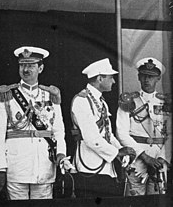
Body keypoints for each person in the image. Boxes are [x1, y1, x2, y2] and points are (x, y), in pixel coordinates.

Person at [0, 46, 67, 200]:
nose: (26, 69)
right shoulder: (6, 95)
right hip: (16, 167)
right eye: (22, 65)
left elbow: (58, 130)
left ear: (41, 68)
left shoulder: (50, 95)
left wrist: (61, 154)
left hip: (44, 166)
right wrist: (0, 168)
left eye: (31, 65)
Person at [70, 58, 136, 198]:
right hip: (89, 169)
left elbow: (108, 134)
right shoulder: (82, 101)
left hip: (106, 169)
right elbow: (91, 139)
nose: (113, 81)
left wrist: (121, 152)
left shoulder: (102, 102)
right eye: (111, 77)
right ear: (100, 78)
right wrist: (117, 153)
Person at [116, 57, 171, 196]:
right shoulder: (128, 101)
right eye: (144, 76)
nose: (147, 80)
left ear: (158, 78)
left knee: (157, 206)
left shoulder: (166, 102)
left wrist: (162, 158)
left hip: (159, 159)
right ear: (138, 77)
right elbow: (121, 133)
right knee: (133, 203)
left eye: (151, 77)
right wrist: (144, 156)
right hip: (136, 160)